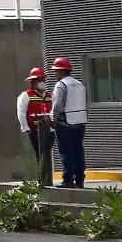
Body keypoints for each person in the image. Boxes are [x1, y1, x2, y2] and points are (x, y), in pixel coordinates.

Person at [50, 57, 88, 188]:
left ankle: (68, 180)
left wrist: (52, 119)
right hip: (80, 123)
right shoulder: (79, 84)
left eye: (56, 71)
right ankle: (80, 179)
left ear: (61, 71)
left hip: (65, 123)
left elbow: (58, 105)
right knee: (78, 151)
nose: (55, 74)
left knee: (67, 152)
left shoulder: (61, 85)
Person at [16, 67, 54, 160]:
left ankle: (46, 174)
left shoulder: (49, 96)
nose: (42, 82)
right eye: (39, 80)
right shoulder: (26, 95)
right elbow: (21, 113)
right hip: (34, 132)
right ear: (32, 82)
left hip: (49, 131)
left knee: (46, 156)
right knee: (38, 157)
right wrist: (27, 129)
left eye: (43, 79)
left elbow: (53, 111)